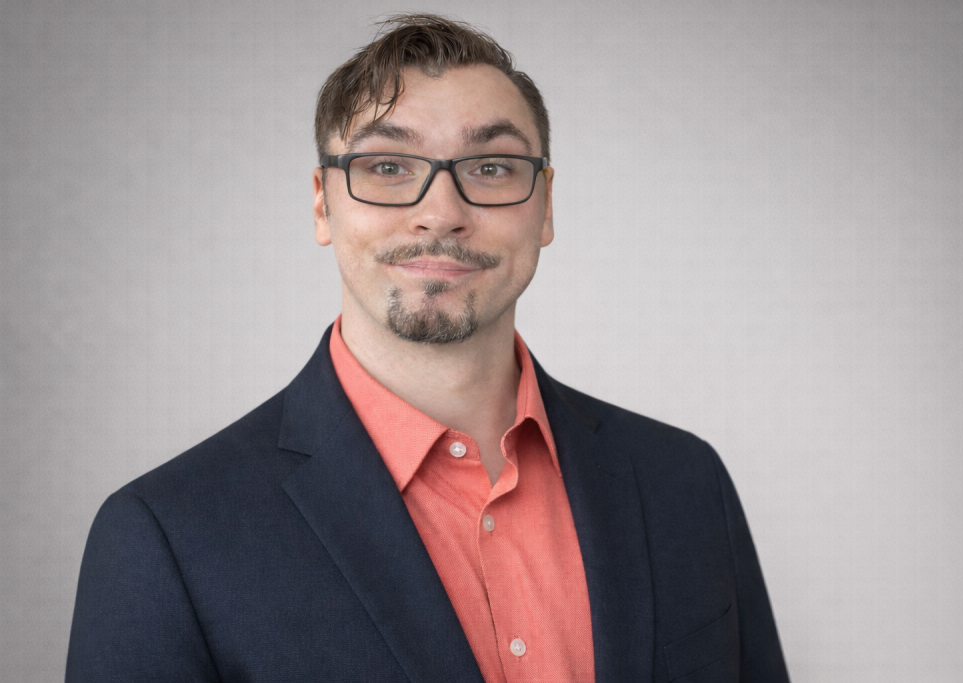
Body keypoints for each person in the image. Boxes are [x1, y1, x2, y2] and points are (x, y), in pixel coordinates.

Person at [66, 13, 789, 683]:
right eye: (388, 167)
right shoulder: (166, 534)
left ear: (545, 205)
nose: (441, 213)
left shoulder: (685, 482)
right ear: (322, 203)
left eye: (491, 167)